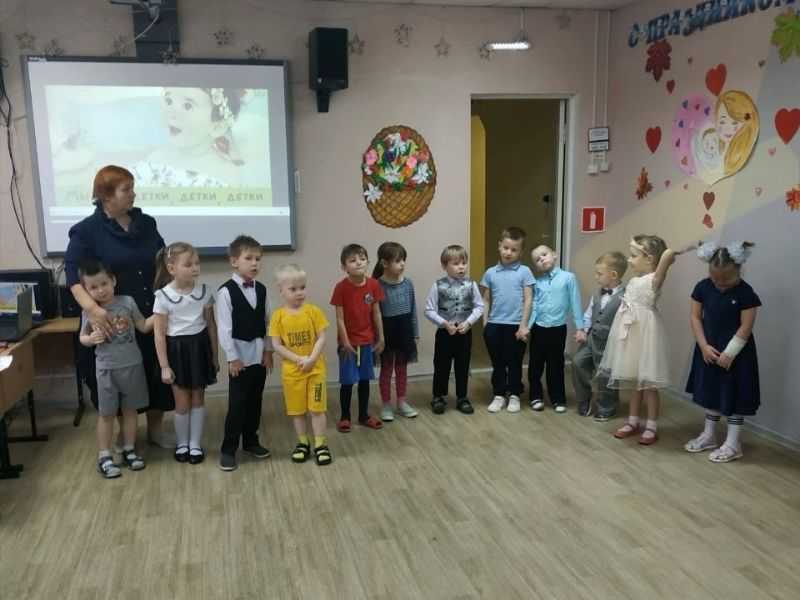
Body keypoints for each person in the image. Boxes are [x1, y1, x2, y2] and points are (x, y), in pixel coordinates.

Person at [65, 165, 174, 448]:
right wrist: (94, 311)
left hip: (148, 313)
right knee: (116, 382)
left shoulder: (146, 223)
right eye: (127, 190)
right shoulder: (86, 231)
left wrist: (172, 296)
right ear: (106, 196)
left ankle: (155, 430)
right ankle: (122, 437)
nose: (133, 194)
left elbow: (164, 262)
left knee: (155, 371)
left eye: (132, 188)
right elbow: (73, 278)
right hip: (111, 320)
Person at [598, 235, 684, 445]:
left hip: (645, 335)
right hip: (630, 335)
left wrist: (667, 256)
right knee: (634, 383)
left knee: (648, 385)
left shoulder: (654, 280)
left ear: (650, 259)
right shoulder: (634, 280)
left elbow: (662, 268)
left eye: (634, 256)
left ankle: (651, 425)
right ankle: (632, 421)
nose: (629, 260)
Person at [684, 242, 760, 463]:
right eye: (715, 278)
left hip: (737, 355)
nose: (720, 283)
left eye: (726, 280)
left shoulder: (746, 293)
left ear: (738, 270)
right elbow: (695, 317)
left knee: (735, 395)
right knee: (711, 391)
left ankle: (733, 443)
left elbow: (746, 327)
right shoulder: (702, 287)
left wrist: (730, 353)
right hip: (709, 350)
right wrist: (703, 345)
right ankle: (709, 435)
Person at [78, 259, 153, 478]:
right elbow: (82, 338)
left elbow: (142, 326)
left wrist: (162, 313)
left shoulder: (128, 302)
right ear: (86, 290)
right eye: (93, 287)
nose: (100, 290)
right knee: (107, 414)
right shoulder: (89, 311)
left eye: (104, 283)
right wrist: (91, 339)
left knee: (130, 411)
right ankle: (104, 455)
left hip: (133, 366)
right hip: (106, 369)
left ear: (113, 281)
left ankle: (129, 450)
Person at [153, 242, 219, 463]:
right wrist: (164, 366)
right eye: (188, 264)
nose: (195, 268)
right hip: (177, 351)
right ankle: (182, 443)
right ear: (172, 268)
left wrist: (214, 356)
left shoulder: (204, 292)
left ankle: (195, 444)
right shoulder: (163, 296)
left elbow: (211, 326)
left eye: (197, 263)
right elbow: (159, 334)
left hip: (199, 349)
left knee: (198, 398)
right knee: (181, 401)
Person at [215, 235, 273, 472]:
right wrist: (232, 357)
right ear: (234, 261)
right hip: (239, 358)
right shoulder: (226, 292)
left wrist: (268, 350)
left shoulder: (262, 289)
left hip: (258, 355)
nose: (254, 263)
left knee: (255, 401)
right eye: (248, 258)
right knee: (237, 404)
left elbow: (269, 323)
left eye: (258, 259)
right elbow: (224, 329)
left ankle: (251, 441)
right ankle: (228, 449)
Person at [269, 264, 333, 466]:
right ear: (281, 290)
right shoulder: (278, 316)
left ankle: (320, 444)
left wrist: (311, 359)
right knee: (297, 411)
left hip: (315, 370)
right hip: (293, 373)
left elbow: (321, 337)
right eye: (293, 289)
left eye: (302, 287)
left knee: (317, 409)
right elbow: (276, 345)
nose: (299, 292)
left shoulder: (313, 312)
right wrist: (298, 359)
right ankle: (303, 442)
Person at [131, 87, 250, 187]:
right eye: (169, 101)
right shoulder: (155, 160)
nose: (172, 113)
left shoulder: (227, 173)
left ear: (217, 127)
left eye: (187, 106)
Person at [330, 243, 385, 433]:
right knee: (347, 381)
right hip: (348, 345)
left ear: (368, 262)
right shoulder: (341, 288)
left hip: (367, 342)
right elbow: (339, 318)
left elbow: (376, 313)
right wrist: (345, 342)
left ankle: (363, 415)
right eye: (352, 260)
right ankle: (345, 417)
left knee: (364, 380)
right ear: (344, 267)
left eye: (362, 259)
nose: (358, 263)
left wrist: (381, 337)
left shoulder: (373, 285)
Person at [479, 227, 535, 413]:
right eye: (506, 248)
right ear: (499, 246)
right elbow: (486, 300)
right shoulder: (490, 273)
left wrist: (523, 325)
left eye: (514, 249)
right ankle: (499, 394)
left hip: (516, 326)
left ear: (521, 251)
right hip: (494, 325)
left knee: (514, 362)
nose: (509, 252)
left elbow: (528, 299)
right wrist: (486, 324)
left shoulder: (525, 272)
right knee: (498, 363)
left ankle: (514, 395)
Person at [424, 245, 484, 415]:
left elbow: (479, 306)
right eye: (456, 264)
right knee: (441, 365)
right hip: (445, 332)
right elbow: (429, 309)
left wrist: (469, 322)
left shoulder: (471, 285)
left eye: (464, 263)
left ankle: (462, 397)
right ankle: (438, 396)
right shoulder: (438, 286)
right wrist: (444, 323)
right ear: (445, 266)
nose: (461, 267)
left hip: (464, 332)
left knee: (463, 365)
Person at [571, 252, 627, 421]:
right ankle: (584, 399)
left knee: (606, 375)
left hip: (609, 343)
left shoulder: (625, 297)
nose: (596, 277)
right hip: (591, 339)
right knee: (578, 362)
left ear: (613, 275)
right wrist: (583, 330)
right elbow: (589, 314)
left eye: (599, 273)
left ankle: (607, 406)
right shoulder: (597, 294)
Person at [527, 245, 583, 413]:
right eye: (537, 259)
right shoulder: (537, 283)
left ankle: (558, 398)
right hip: (539, 328)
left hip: (557, 329)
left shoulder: (568, 278)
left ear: (555, 255)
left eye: (544, 255)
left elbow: (575, 302)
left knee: (556, 365)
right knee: (535, 364)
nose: (542, 259)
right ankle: (535, 396)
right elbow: (535, 306)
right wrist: (527, 327)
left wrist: (580, 327)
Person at [373, 242, 419, 422]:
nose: (402, 264)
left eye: (403, 260)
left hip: (404, 331)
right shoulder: (377, 285)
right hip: (387, 332)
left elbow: (413, 310)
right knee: (386, 370)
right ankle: (386, 404)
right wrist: (378, 337)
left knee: (401, 369)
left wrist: (415, 333)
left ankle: (401, 402)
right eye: (398, 261)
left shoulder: (408, 284)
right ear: (385, 263)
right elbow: (375, 314)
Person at [714, 90, 759, 177]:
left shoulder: (740, 154)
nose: (728, 128)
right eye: (722, 122)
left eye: (734, 123)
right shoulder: (720, 150)